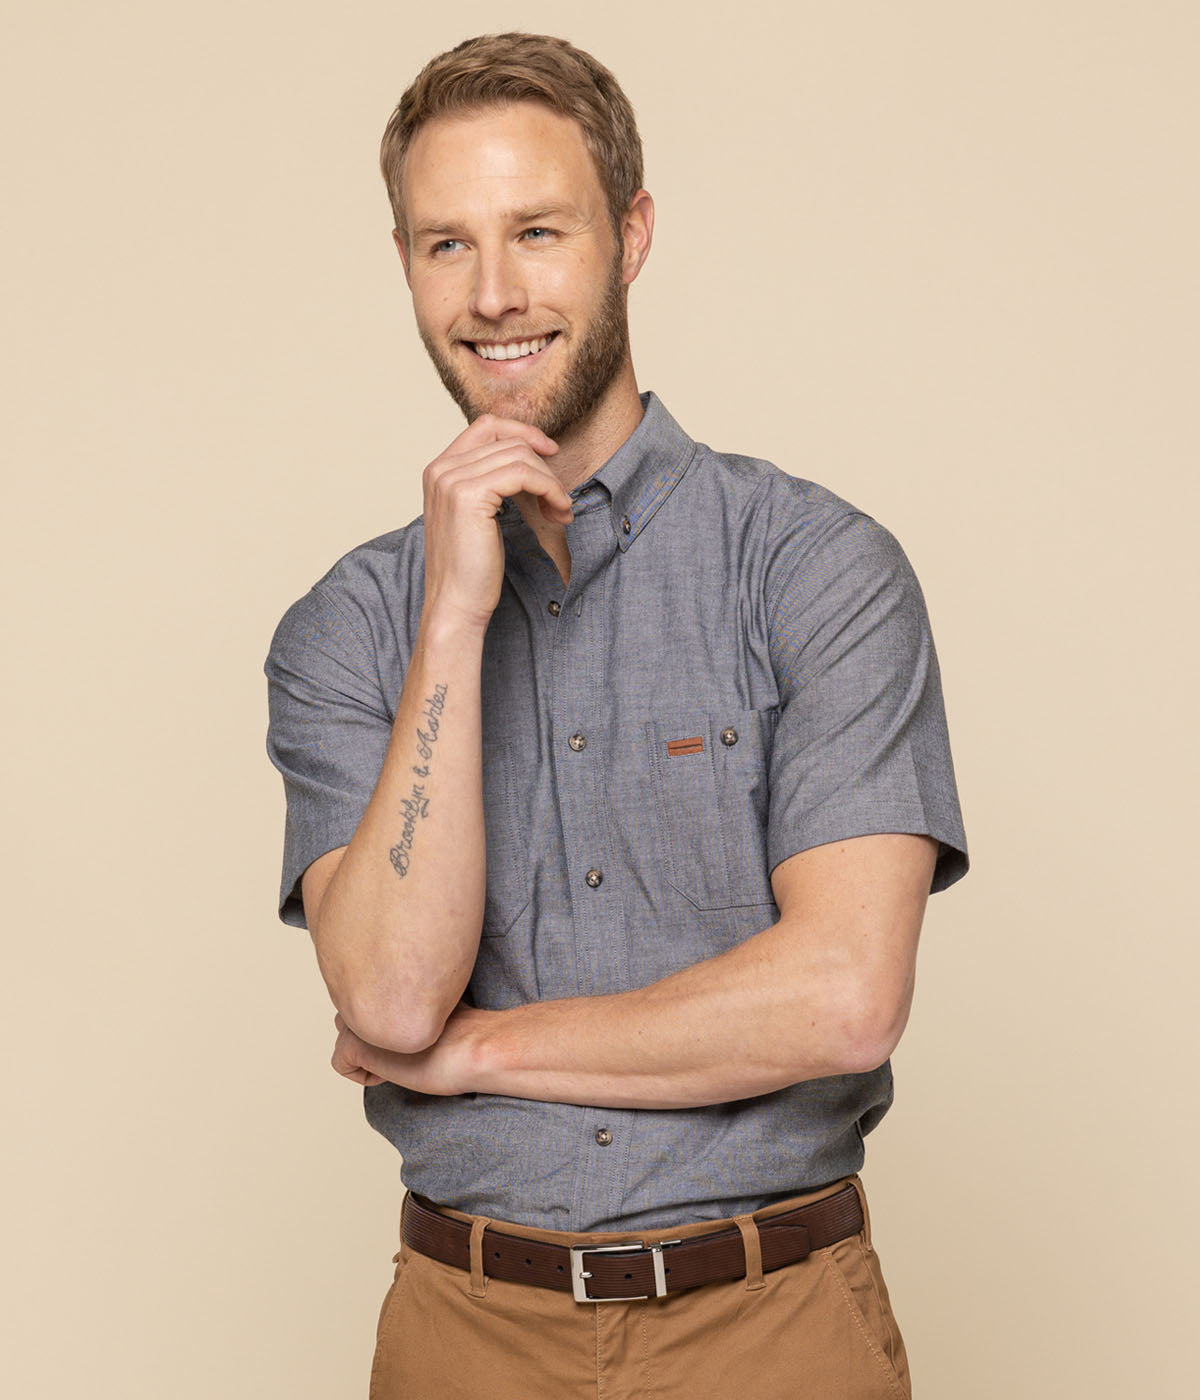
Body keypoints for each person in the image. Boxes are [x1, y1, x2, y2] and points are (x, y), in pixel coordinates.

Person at [264, 31, 968, 1400]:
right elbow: (392, 991)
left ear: (631, 235)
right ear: (401, 261)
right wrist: (456, 621)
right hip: (467, 1332)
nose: (496, 293)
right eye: (446, 244)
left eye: (538, 230)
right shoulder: (350, 627)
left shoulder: (817, 570)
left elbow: (840, 999)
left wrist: (473, 1053)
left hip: (773, 1325)